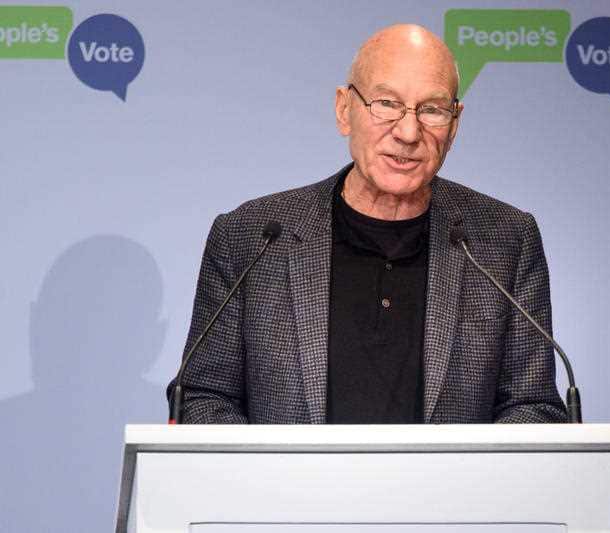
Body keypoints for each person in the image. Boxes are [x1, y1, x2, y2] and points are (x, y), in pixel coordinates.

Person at [168, 24, 567, 424]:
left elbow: (532, 407)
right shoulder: (251, 238)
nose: (409, 133)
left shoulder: (505, 240)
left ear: (455, 123)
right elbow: (203, 398)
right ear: (345, 110)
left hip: (450, 489)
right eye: (386, 104)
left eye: (432, 109)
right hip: (289, 488)